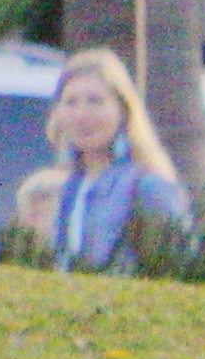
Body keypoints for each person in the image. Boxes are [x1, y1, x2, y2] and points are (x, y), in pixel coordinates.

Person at [14, 45, 191, 272]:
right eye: (71, 102)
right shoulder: (67, 188)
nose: (82, 115)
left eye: (95, 101)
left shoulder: (148, 187)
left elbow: (178, 268)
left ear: (123, 110)